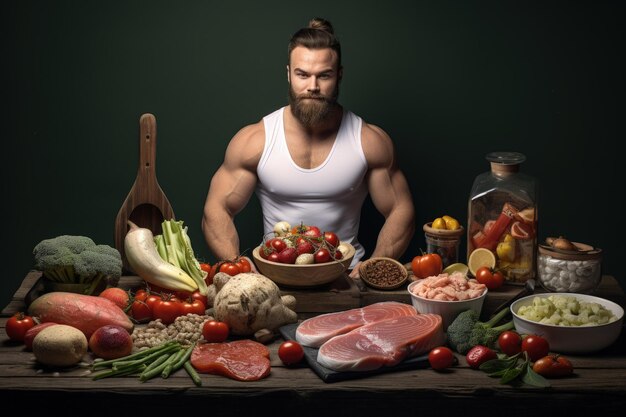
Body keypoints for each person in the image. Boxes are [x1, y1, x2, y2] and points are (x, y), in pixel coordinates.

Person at [202, 17, 415, 278]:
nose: (312, 87)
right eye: (302, 74)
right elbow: (216, 209)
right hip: (273, 279)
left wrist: (374, 266)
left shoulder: (368, 140)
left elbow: (400, 210)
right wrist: (241, 269)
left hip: (346, 278)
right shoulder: (255, 140)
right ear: (288, 73)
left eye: (323, 75)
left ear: (339, 75)